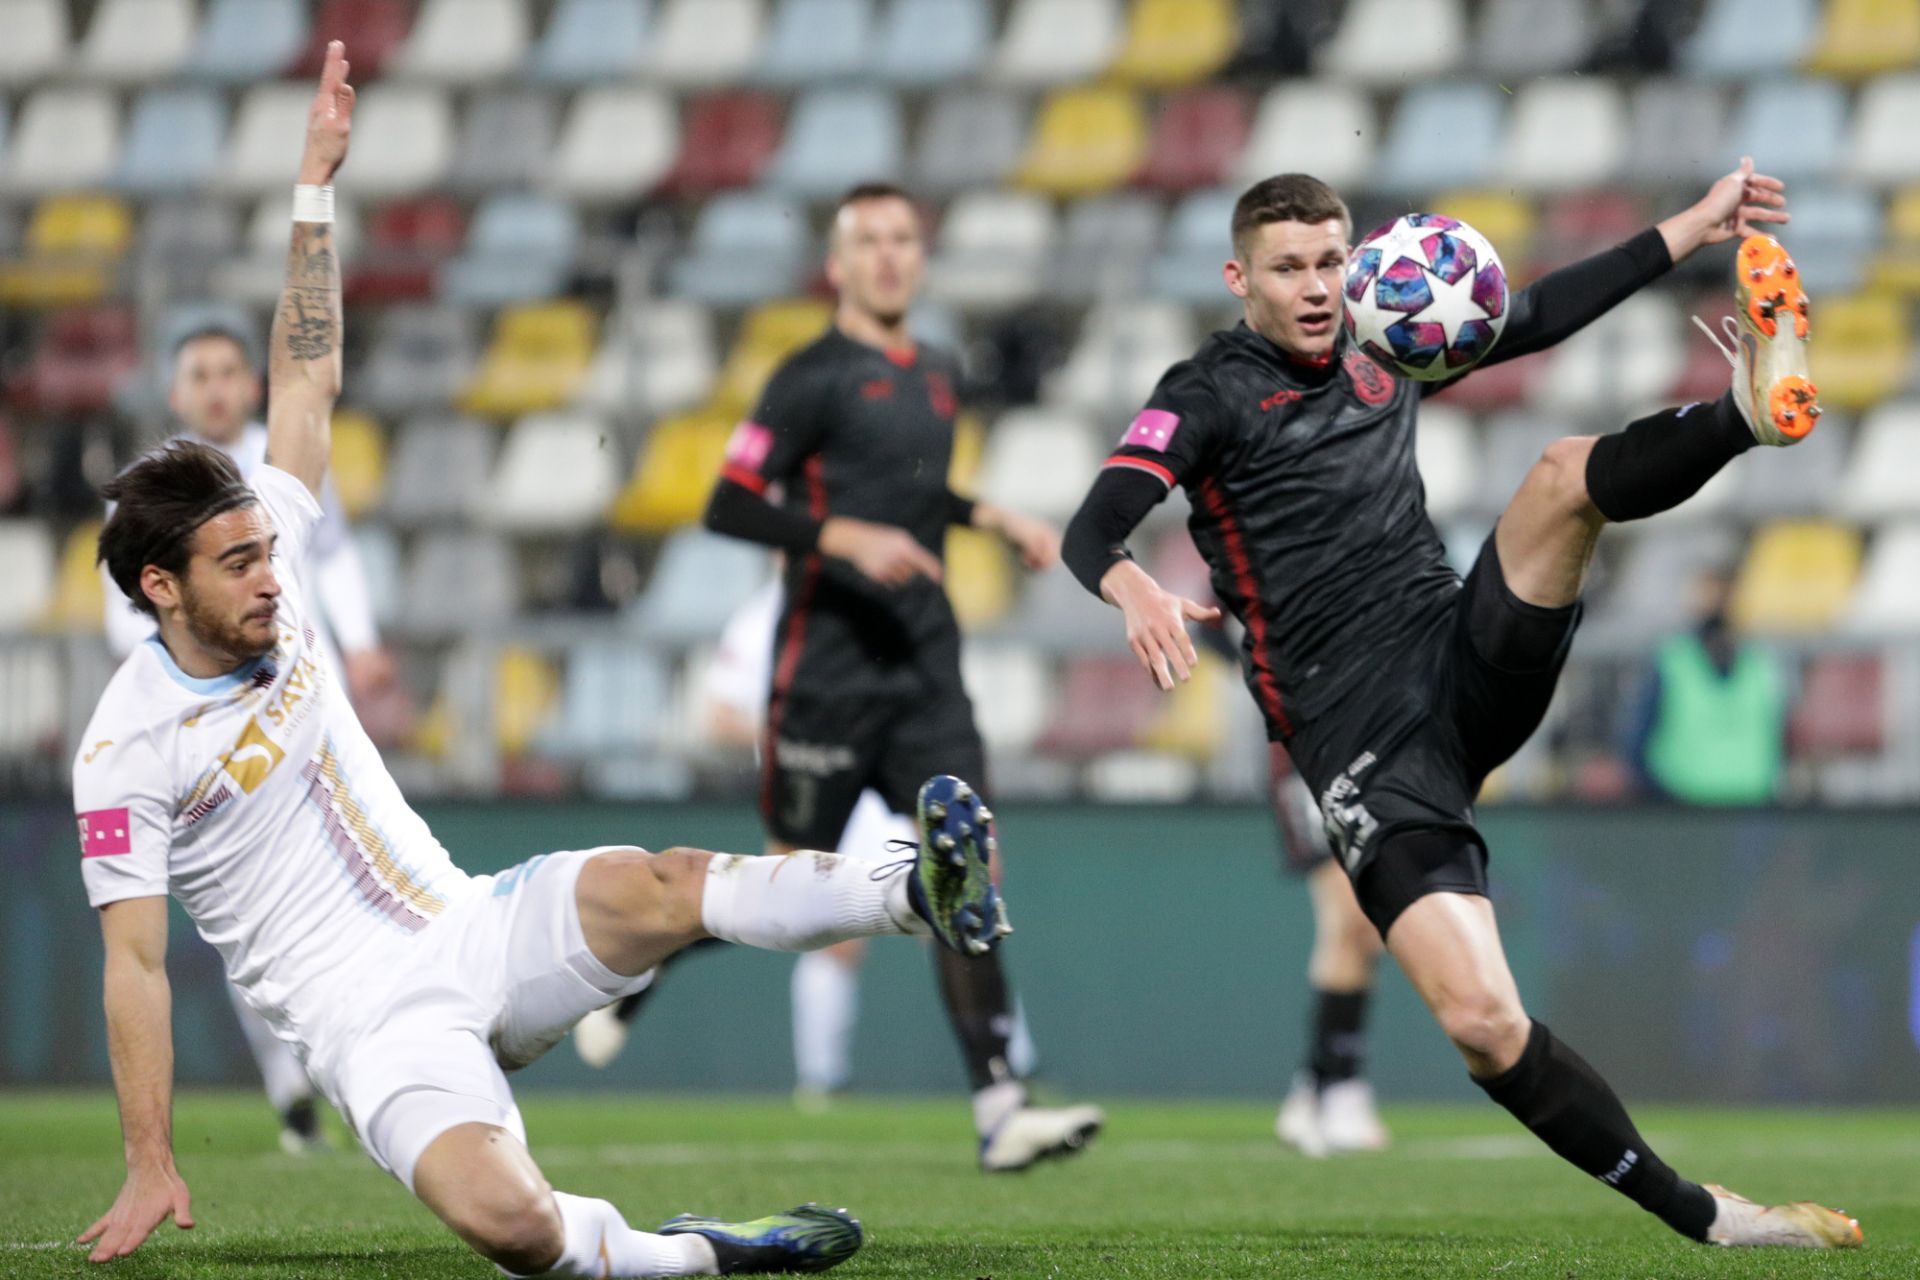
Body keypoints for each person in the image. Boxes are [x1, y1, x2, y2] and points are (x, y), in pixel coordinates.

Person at [73, 47, 1007, 1274]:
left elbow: (306, 379)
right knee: (513, 1224)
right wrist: (151, 1152)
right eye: (237, 563)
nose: (269, 574)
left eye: (265, 547)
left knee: (660, 881)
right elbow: (134, 965)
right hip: (370, 1022)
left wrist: (314, 186)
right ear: (160, 586)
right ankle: (702, 1256)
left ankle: (912, 891)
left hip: (467, 919)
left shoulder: (277, 557)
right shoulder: (125, 744)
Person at [1060, 167, 1862, 1248]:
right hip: (1360, 747)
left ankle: (1745, 415)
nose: (1315, 287)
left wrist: (1694, 227)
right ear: (1238, 275)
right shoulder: (1202, 392)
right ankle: (1712, 1218)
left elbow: (1539, 312)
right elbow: (1091, 526)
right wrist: (1134, 584)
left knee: (1561, 473)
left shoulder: (1386, 341)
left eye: (1331, 262)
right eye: (1288, 267)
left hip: (1457, 655)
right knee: (1484, 1025)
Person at [694, 182, 1103, 1171]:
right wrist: (837, 536)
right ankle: (637, 967)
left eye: (902, 239)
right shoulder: (807, 377)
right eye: (867, 241)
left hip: (924, 668)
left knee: (969, 865)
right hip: (825, 674)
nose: (886, 256)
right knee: (782, 897)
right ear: (837, 264)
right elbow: (729, 501)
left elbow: (913, 492)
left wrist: (987, 515)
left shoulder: (937, 371)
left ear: (920, 257)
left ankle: (1000, 1104)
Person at [100, 322, 402, 1157]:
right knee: (253, 917)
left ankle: (367, 1054)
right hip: (213, 733)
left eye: (231, 369)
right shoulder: (152, 495)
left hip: (304, 699)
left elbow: (330, 555)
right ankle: (290, 1079)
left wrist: (363, 639)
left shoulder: (278, 465)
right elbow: (123, 615)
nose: (219, 385)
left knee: (363, 871)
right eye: (200, 372)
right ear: (176, 393)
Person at [574, 574, 1040, 1105]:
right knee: (818, 922)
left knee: (967, 898)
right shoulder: (767, 615)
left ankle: (1009, 1075)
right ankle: (823, 1082)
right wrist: (804, 734)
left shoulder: (892, 586)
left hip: (894, 778)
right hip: (826, 779)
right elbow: (719, 715)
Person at [1267, 753, 1389, 1157]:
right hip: (1316, 754)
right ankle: (1338, 1086)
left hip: (1375, 756)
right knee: (1349, 919)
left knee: (1368, 932)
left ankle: (1317, 1085)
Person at [1621, 567, 1789, 804]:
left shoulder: (1762, 663)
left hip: (1751, 811)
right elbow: (1634, 745)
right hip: (1683, 811)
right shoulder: (1671, 661)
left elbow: (1780, 738)